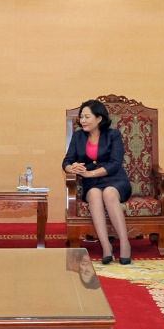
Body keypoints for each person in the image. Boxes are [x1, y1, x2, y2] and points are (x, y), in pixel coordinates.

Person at [63, 99, 134, 264]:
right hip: (92, 184)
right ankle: (106, 246)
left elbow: (115, 163)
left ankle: (125, 244)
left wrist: (90, 173)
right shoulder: (78, 136)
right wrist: (72, 168)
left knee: (109, 193)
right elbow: (66, 161)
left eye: (87, 117)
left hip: (116, 180)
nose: (83, 120)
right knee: (95, 195)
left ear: (99, 118)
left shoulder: (113, 135)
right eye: (81, 117)